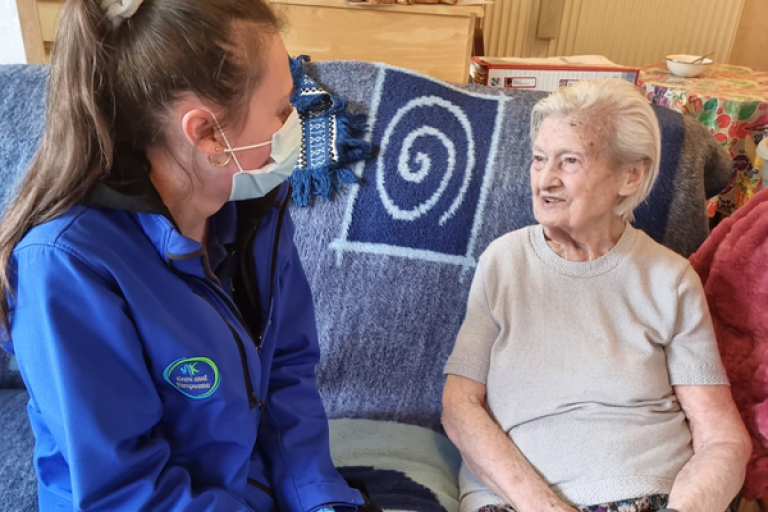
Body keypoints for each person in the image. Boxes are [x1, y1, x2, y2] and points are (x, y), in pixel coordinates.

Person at [0, 1, 365, 511]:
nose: (296, 123)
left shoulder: (254, 211)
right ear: (207, 134)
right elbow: (124, 492)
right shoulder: (65, 266)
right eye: (283, 109)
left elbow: (286, 375)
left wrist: (321, 500)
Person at [441, 79, 752, 512]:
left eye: (569, 161)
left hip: (656, 494)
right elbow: (459, 406)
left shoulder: (671, 279)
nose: (545, 180)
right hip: (522, 501)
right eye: (538, 159)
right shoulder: (503, 263)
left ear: (630, 175)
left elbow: (722, 437)